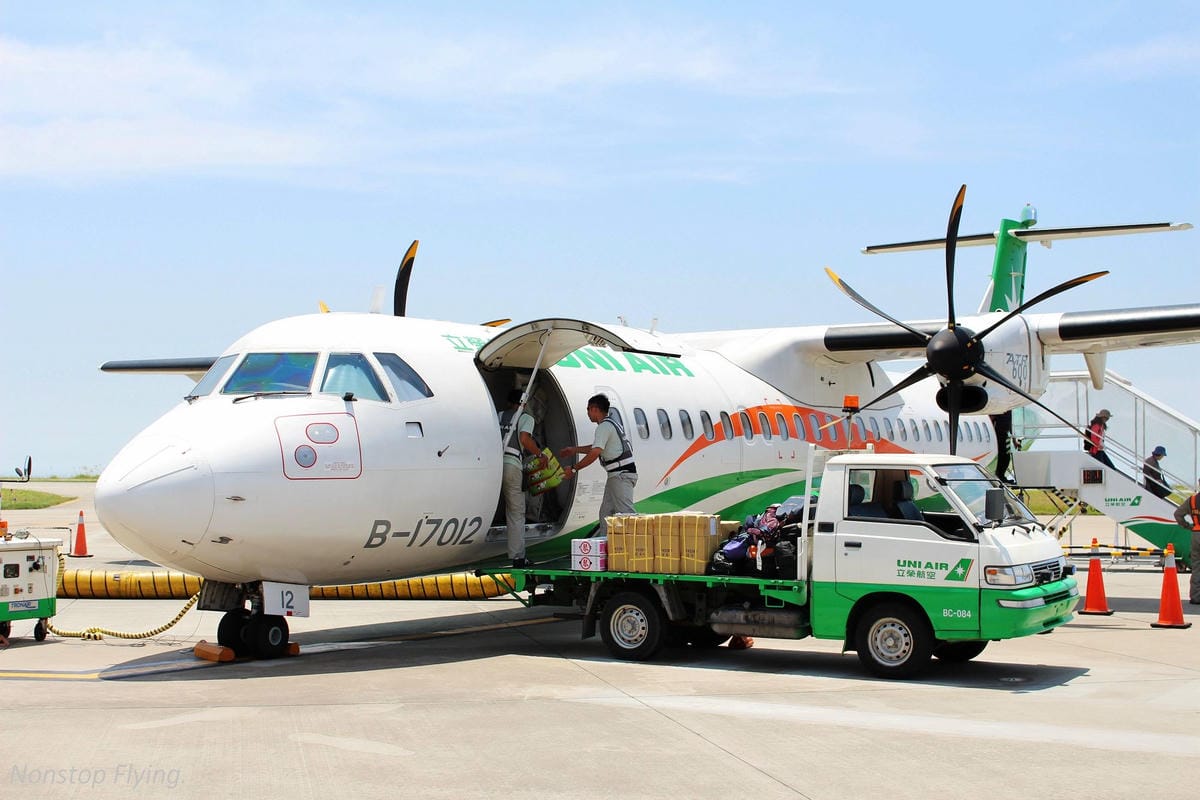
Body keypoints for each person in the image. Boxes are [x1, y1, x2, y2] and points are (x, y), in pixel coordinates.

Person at [560, 393, 636, 537]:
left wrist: (574, 469)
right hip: (616, 476)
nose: (588, 413)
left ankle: (637, 552)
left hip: (621, 476)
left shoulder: (603, 427)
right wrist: (574, 450)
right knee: (606, 513)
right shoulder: (610, 424)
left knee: (627, 515)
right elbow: (596, 447)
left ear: (595, 409)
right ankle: (606, 550)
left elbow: (595, 453)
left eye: (588, 409)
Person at [499, 389, 542, 568]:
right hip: (512, 464)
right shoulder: (525, 418)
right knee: (516, 510)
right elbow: (524, 439)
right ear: (523, 404)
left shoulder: (499, 415)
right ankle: (518, 557)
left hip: (494, 463)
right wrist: (540, 454)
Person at [1172, 486, 1200, 604]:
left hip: (1196, 534)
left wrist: (1188, 526)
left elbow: (1178, 514)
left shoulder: (1192, 500)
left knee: (1197, 566)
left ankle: (1196, 596)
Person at [990, 411, 1013, 483]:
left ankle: (1001, 476)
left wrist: (1014, 440)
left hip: (1006, 434)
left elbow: (1010, 425)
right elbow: (991, 418)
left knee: (1006, 457)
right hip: (998, 435)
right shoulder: (1000, 408)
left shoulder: (1009, 409)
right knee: (1001, 456)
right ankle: (999, 476)